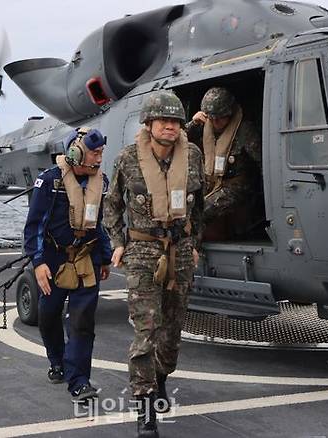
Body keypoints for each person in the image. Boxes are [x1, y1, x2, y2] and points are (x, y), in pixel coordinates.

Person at [103, 90, 204, 438]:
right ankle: (145, 406)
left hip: (181, 251)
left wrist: (195, 244)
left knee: (172, 336)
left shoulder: (192, 156)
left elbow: (199, 205)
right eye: (163, 121)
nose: (170, 127)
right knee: (146, 332)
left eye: (175, 121)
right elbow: (112, 205)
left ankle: (161, 378)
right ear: (149, 124)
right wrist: (118, 243)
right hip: (143, 254)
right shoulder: (128, 158)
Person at [23, 127, 112, 403]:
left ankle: (79, 381)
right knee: (48, 315)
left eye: (100, 153)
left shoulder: (102, 182)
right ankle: (57, 360)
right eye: (94, 153)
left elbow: (98, 225)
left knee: (82, 322)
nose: (98, 159)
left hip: (87, 258)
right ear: (76, 153)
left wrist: (105, 256)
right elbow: (34, 225)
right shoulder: (49, 182)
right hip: (54, 260)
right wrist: (38, 263)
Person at [185, 87, 262, 237]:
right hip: (210, 183)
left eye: (220, 117)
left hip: (236, 185)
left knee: (203, 211)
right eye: (211, 118)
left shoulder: (245, 131)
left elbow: (261, 162)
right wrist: (192, 124)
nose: (215, 122)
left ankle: (194, 249)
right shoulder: (203, 126)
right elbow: (176, 139)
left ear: (229, 113)